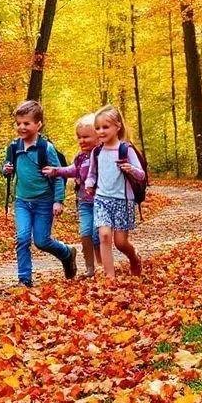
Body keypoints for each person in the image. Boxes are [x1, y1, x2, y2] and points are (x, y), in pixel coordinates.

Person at [0, 100, 78, 287]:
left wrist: (58, 201)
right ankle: (24, 279)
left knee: (42, 241)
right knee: (22, 238)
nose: (21, 127)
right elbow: (5, 168)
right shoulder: (14, 147)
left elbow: (58, 175)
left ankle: (67, 253)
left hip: (44, 201)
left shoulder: (46, 148)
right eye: (18, 123)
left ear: (38, 124)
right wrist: (6, 169)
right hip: (22, 201)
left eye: (26, 123)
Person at [84, 105, 144, 280]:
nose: (101, 131)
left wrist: (130, 168)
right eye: (98, 128)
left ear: (117, 126)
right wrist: (89, 184)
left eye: (105, 127)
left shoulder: (126, 150)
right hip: (102, 199)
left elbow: (141, 175)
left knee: (120, 242)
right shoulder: (97, 151)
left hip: (123, 201)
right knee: (103, 235)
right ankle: (110, 277)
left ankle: (134, 257)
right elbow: (92, 175)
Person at [42, 114, 101, 278]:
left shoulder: (103, 154)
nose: (82, 141)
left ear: (98, 136)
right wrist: (56, 171)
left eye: (86, 137)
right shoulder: (80, 157)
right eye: (79, 137)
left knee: (98, 235)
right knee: (85, 234)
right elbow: (72, 170)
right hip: (84, 202)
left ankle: (103, 263)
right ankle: (90, 268)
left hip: (102, 202)